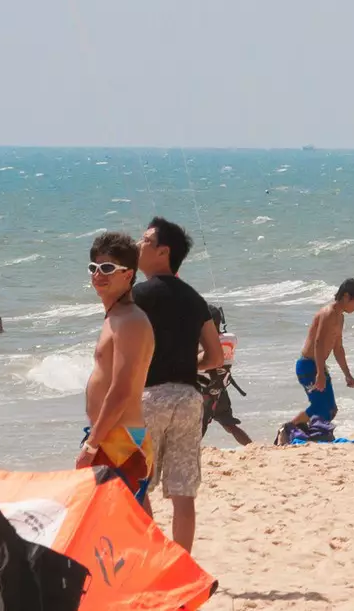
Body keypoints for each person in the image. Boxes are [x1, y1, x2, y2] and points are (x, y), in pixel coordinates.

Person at [133, 217, 223, 550]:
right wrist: (187, 365)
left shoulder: (137, 296)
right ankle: (182, 566)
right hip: (188, 399)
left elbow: (121, 351)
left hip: (149, 398)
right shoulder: (195, 299)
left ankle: (151, 559)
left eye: (144, 240)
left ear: (162, 251)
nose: (137, 245)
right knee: (183, 492)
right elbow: (215, 357)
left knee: (137, 484)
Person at [80, 233, 155, 496]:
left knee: (116, 526)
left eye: (108, 268)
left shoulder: (130, 321)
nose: (98, 274)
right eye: (94, 267)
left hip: (120, 441)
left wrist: (91, 446)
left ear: (128, 274)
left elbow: (121, 391)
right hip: (112, 438)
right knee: (132, 524)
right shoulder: (115, 317)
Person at [289, 279, 354, 436]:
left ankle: (311, 433)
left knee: (330, 409)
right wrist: (320, 374)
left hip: (318, 365)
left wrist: (347, 374)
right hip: (308, 366)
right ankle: (289, 428)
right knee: (319, 406)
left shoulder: (340, 317)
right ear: (346, 296)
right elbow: (318, 343)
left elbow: (338, 348)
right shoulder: (328, 313)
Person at [197, 304, 255, 448]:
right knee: (230, 425)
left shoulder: (199, 344)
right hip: (219, 391)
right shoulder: (231, 339)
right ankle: (252, 447)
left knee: (196, 432)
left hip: (203, 394)